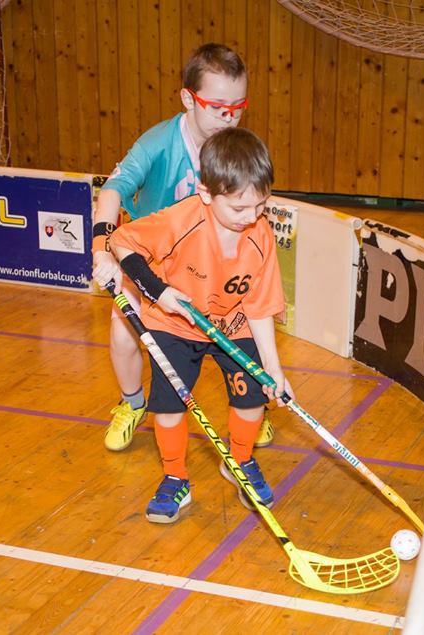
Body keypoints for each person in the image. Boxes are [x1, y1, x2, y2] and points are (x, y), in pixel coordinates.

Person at [92, 43, 275, 452]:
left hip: (215, 269)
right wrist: (102, 248)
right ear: (188, 99)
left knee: (242, 339)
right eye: (217, 108)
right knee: (123, 336)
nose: (229, 119)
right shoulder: (158, 144)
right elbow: (113, 191)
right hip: (150, 262)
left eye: (238, 108)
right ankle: (132, 402)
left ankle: (254, 405)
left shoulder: (234, 147)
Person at [108, 127, 294, 523]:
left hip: (233, 322)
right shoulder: (181, 220)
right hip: (175, 324)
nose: (253, 217)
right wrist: (158, 292)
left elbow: (259, 307)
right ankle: (176, 477)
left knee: (252, 397)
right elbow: (122, 242)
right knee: (169, 408)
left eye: (261, 205)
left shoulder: (260, 235)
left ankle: (239, 462)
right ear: (207, 194)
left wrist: (274, 371)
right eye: (240, 209)